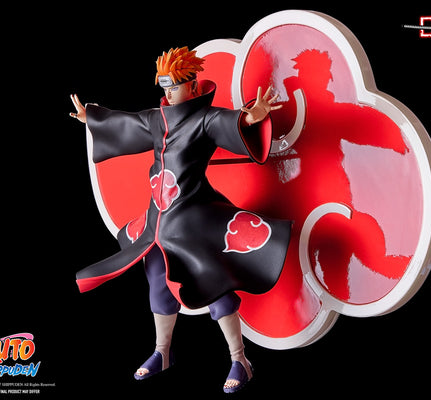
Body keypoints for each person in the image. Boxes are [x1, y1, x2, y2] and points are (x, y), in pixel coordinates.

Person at [69, 46, 291, 393]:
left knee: (214, 285)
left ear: (192, 85)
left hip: (194, 224)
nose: (169, 94)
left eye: (174, 86)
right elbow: (126, 122)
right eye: (164, 87)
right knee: (158, 283)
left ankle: (240, 359)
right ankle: (162, 352)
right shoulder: (157, 119)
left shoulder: (205, 119)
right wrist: (93, 119)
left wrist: (251, 118)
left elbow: (230, 122)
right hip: (159, 224)